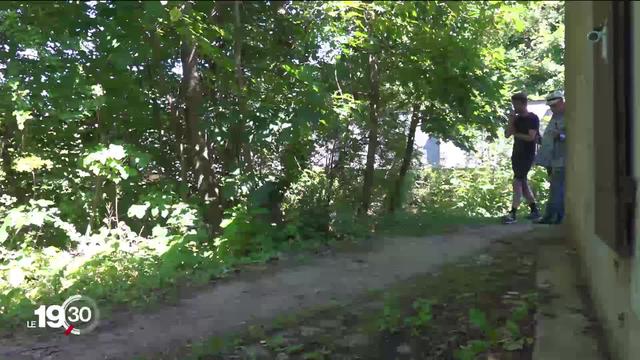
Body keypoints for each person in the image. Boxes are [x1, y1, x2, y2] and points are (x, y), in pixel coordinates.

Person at [502, 92, 541, 224]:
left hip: (527, 154)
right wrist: (511, 121)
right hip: (517, 154)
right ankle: (534, 210)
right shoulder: (516, 119)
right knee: (522, 182)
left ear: (523, 103)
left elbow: (531, 137)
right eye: (513, 104)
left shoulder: (532, 118)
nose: (514, 107)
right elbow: (507, 134)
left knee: (517, 181)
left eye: (516, 104)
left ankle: (513, 213)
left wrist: (516, 134)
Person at [535, 90, 566, 224]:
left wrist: (560, 136)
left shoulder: (568, 116)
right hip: (551, 159)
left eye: (554, 106)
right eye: (551, 106)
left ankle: (554, 216)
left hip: (561, 159)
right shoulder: (556, 116)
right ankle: (554, 216)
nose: (552, 108)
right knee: (555, 188)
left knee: (557, 189)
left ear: (561, 102)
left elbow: (571, 136)